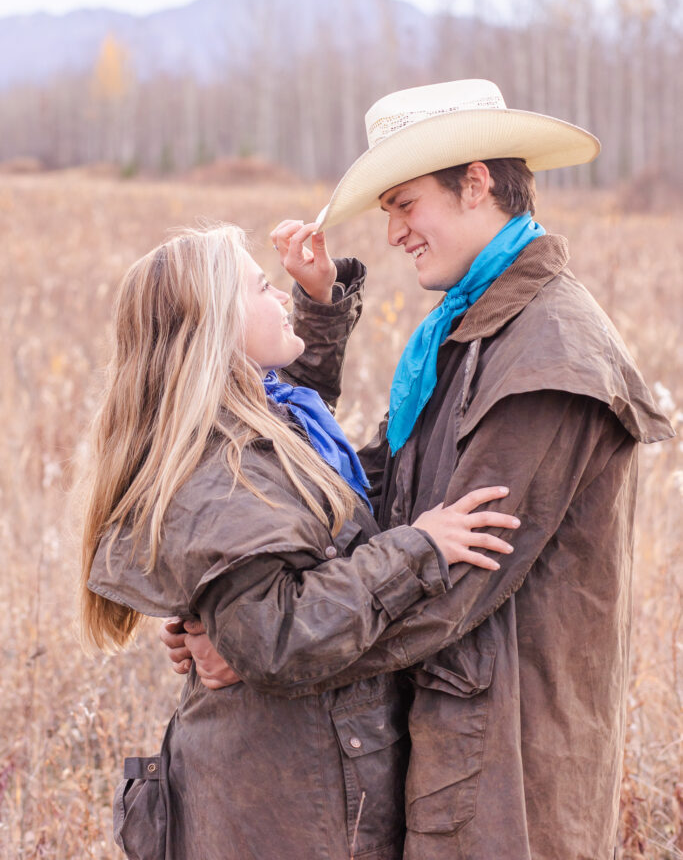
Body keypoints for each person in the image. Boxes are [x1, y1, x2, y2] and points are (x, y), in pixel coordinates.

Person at [170, 80, 675, 860]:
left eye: (406, 204)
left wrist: (257, 644)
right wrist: (233, 603)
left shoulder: (546, 359)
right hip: (449, 747)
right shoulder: (470, 329)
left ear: (475, 183)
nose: (396, 231)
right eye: (388, 211)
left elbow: (454, 586)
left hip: (504, 774)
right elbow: (352, 493)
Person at [79, 222, 522, 860]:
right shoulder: (226, 472)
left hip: (287, 777)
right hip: (283, 805)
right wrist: (419, 548)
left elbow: (297, 447)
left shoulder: (255, 413)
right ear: (218, 332)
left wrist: (318, 303)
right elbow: (276, 635)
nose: (279, 293)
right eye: (264, 287)